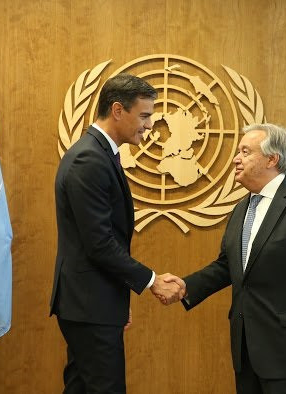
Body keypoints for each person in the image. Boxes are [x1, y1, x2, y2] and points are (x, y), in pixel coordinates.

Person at [170, 123, 286, 394]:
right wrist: (185, 286)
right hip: (246, 350)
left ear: (273, 159)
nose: (236, 159)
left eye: (245, 152)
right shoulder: (241, 209)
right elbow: (228, 266)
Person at [50, 73, 185, 394]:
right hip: (88, 305)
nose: (150, 125)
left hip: (93, 304)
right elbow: (99, 244)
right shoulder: (89, 159)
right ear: (117, 110)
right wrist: (152, 281)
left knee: (81, 388)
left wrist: (117, 301)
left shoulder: (99, 153)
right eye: (144, 115)